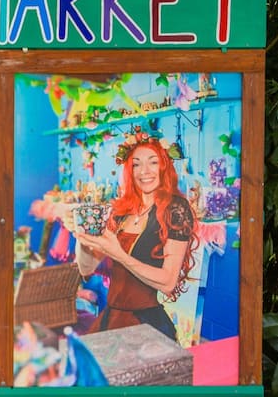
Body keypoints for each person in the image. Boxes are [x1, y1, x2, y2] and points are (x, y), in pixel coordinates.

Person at [70, 131, 199, 341]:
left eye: (153, 162)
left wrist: (119, 255)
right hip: (110, 319)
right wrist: (81, 237)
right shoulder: (123, 211)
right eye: (136, 164)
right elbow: (86, 268)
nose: (144, 171)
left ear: (164, 166)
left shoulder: (175, 209)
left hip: (146, 325)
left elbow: (168, 282)